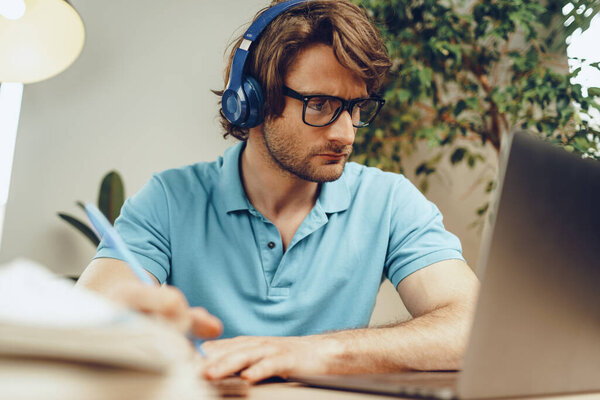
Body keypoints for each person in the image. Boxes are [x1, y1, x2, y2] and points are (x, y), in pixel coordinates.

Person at [77, 0, 479, 384]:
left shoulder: (389, 201)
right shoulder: (169, 198)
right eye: (320, 104)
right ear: (251, 101)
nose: (345, 133)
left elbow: (473, 325)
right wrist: (133, 322)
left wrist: (315, 352)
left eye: (356, 107)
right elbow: (84, 321)